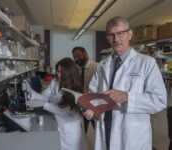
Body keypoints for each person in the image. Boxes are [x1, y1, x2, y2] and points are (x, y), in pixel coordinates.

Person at [84, 16, 167, 150]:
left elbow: (159, 100)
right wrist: (90, 107)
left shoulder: (147, 63)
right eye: (111, 35)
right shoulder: (102, 65)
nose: (116, 39)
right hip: (105, 128)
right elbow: (93, 93)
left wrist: (127, 97)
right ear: (107, 38)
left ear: (130, 34)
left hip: (132, 135)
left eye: (120, 33)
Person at [25, 57, 88, 150]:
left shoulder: (75, 88)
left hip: (70, 129)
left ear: (68, 73)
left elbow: (65, 111)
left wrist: (44, 104)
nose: (57, 75)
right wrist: (31, 92)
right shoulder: (55, 82)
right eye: (57, 71)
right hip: (58, 124)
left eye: (60, 72)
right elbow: (45, 96)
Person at [72, 47, 97, 134]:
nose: (76, 59)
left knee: (99, 132)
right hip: (81, 107)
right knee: (82, 132)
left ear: (85, 53)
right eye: (74, 58)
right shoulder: (76, 70)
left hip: (95, 107)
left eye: (78, 56)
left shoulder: (97, 67)